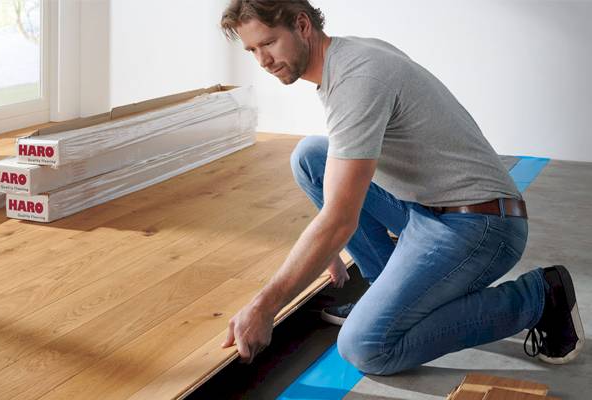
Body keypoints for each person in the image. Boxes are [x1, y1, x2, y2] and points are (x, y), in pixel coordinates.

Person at [219, 0, 584, 374]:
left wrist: (264, 306)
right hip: (427, 208)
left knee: (366, 347)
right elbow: (339, 192)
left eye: (269, 43)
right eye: (252, 50)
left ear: (302, 25)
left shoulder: (357, 80)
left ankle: (538, 296)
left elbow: (340, 220)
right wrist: (324, 234)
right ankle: (386, 292)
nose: (262, 60)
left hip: (481, 225)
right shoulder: (348, 53)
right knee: (311, 155)